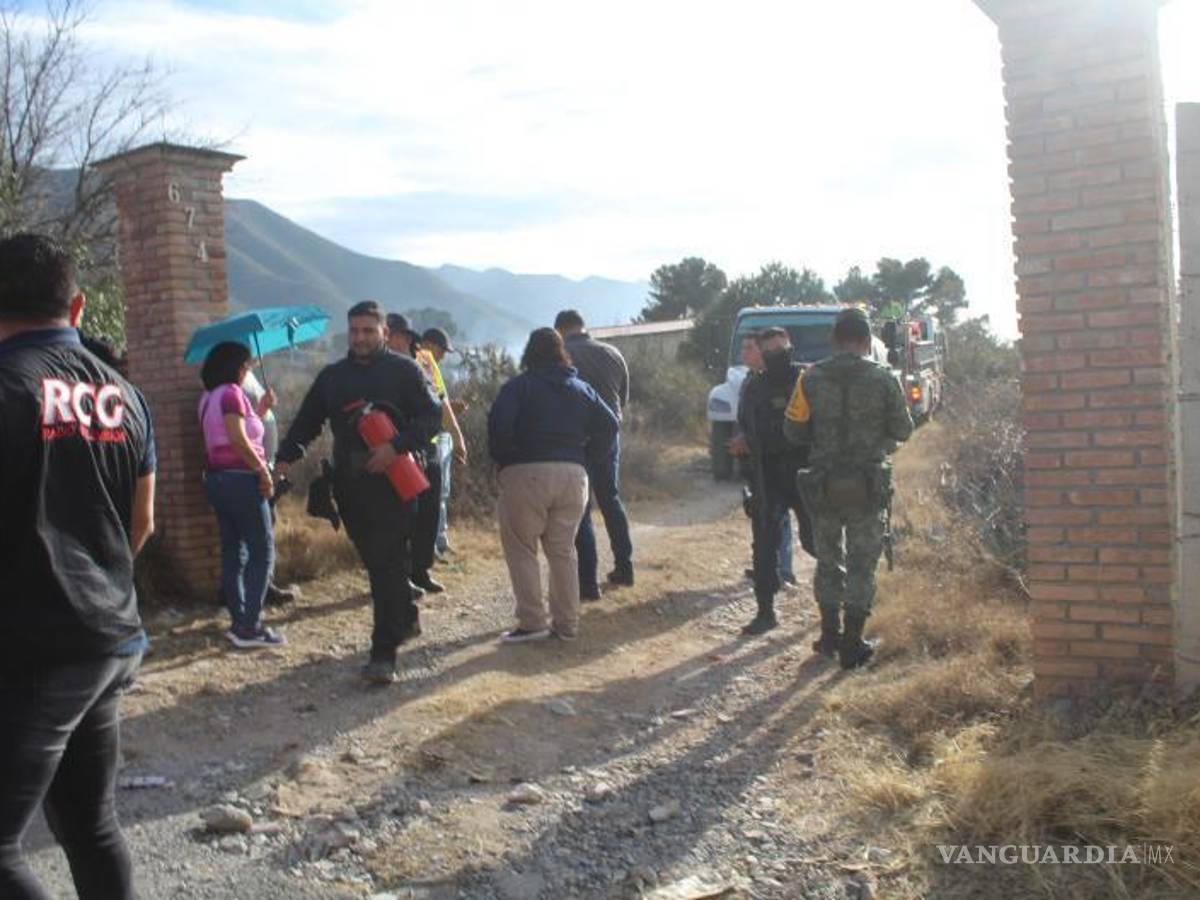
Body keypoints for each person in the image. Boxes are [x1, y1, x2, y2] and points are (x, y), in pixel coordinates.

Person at [0, 233, 155, 899]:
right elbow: (142, 523)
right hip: (108, 636)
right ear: (79, 306)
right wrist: (93, 583)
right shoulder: (125, 394)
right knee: (91, 826)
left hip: (35, 649)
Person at [277, 301, 441, 684]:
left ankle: (383, 654)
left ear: (385, 332)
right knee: (377, 560)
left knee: (386, 561)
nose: (360, 338)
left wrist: (395, 447)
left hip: (396, 483)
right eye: (354, 331)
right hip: (350, 488)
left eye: (368, 330)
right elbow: (306, 423)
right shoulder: (333, 378)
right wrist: (284, 459)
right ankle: (405, 614)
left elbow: (431, 417)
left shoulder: (405, 371)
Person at [784, 307, 914, 668]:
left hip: (823, 483)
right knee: (861, 564)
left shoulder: (809, 379)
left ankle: (829, 635)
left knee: (828, 561)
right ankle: (853, 643)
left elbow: (793, 431)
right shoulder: (884, 379)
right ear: (867, 340)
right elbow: (903, 430)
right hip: (867, 486)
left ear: (834, 338)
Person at [488, 327, 618, 642]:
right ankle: (567, 624)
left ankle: (533, 622)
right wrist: (588, 457)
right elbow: (610, 424)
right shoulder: (581, 388)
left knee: (522, 549)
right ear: (562, 353)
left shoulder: (517, 388)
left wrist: (505, 461)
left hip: (526, 472)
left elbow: (498, 427)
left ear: (529, 352)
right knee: (563, 550)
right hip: (574, 475)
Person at [199, 342, 284, 649]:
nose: (248, 371)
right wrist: (262, 470)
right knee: (262, 549)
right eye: (247, 366)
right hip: (241, 480)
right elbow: (237, 439)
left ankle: (239, 621)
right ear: (236, 367)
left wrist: (261, 409)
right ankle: (250, 626)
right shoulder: (232, 394)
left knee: (234, 550)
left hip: (217, 480)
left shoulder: (208, 398)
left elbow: (235, 432)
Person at [737, 326, 816, 636]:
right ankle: (765, 612)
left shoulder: (807, 380)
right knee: (764, 548)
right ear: (762, 353)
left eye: (782, 350)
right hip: (768, 477)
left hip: (804, 474)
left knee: (816, 542)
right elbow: (746, 428)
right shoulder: (753, 387)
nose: (778, 356)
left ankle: (836, 604)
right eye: (770, 351)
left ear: (790, 348)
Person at [553, 309, 633, 599]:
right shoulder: (613, 353)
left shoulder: (563, 355)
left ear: (561, 330)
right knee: (611, 499)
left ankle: (588, 583)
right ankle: (624, 567)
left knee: (581, 508)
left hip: (577, 440)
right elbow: (623, 398)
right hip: (609, 435)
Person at [729, 332, 795, 588]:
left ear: (762, 352)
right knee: (764, 517)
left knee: (779, 516)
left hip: (780, 462)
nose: (744, 353)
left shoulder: (786, 382)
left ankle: (783, 570)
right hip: (756, 462)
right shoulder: (751, 381)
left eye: (749, 348)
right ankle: (767, 567)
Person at [241, 368, 298, 605]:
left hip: (266, 465)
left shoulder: (250, 377)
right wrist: (263, 409)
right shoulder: (237, 385)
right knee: (258, 533)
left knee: (267, 526)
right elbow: (242, 429)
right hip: (254, 470)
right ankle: (259, 587)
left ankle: (263, 583)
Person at [420, 327, 468, 558]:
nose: (442, 356)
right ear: (429, 344)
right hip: (432, 439)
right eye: (441, 350)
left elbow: (440, 404)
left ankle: (439, 539)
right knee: (435, 494)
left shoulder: (427, 366)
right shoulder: (423, 364)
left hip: (440, 436)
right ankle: (431, 544)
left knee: (442, 493)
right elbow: (437, 406)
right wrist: (457, 435)